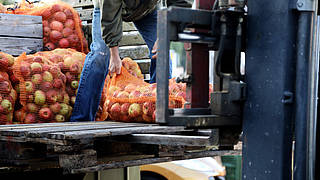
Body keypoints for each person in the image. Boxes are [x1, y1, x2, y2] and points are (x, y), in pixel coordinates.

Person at [70, 0, 191, 122]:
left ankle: (156, 113)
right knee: (100, 55)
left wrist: (166, 33)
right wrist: (114, 54)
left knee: (162, 54)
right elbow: (109, 11)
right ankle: (81, 119)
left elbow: (179, 4)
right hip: (107, 8)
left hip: (147, 8)